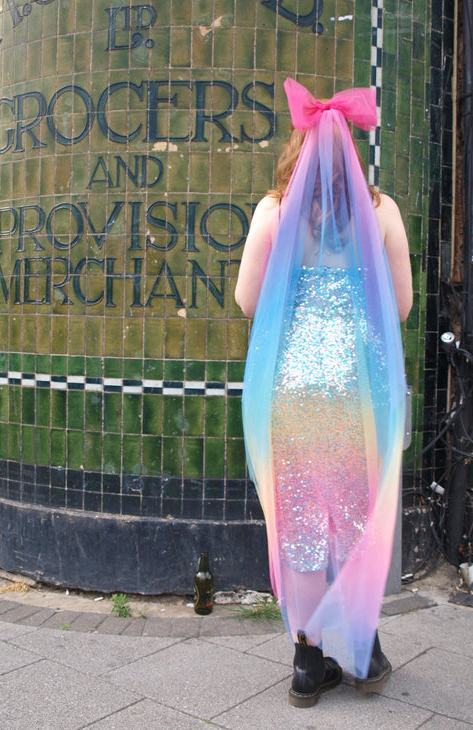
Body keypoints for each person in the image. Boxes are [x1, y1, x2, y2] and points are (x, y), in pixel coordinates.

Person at [235, 79, 413, 709]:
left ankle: (309, 660)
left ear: (298, 148)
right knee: (355, 511)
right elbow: (403, 304)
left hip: (293, 386)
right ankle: (364, 649)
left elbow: (248, 301)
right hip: (359, 387)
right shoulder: (381, 209)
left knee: (301, 515)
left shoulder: (274, 211)